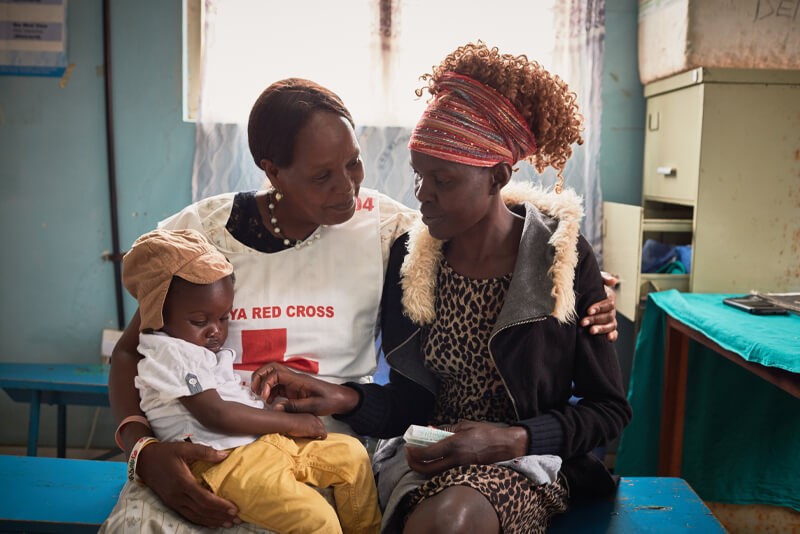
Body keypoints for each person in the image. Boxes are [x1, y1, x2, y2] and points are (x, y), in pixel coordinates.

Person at [104, 76, 620, 531]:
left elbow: (491, 219)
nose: (348, 189)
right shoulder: (201, 235)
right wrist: (142, 450)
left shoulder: (389, 230)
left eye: (353, 164)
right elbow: (134, 352)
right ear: (271, 171)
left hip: (330, 453)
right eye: (321, 175)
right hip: (205, 447)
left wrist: (578, 281)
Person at [253, 42, 632, 534]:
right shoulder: (413, 260)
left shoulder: (560, 257)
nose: (422, 195)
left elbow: (609, 411)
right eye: (418, 176)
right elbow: (410, 408)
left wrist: (511, 440)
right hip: (428, 455)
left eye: (443, 180)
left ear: (497, 176)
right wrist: (341, 398)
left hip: (528, 464)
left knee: (451, 519)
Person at [120, 228, 381, 534]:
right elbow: (215, 414)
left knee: (352, 456)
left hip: (262, 445)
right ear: (158, 315)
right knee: (317, 520)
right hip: (226, 464)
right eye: (201, 321)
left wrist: (274, 410)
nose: (216, 331)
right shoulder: (170, 353)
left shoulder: (195, 346)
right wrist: (289, 423)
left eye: (223, 317)